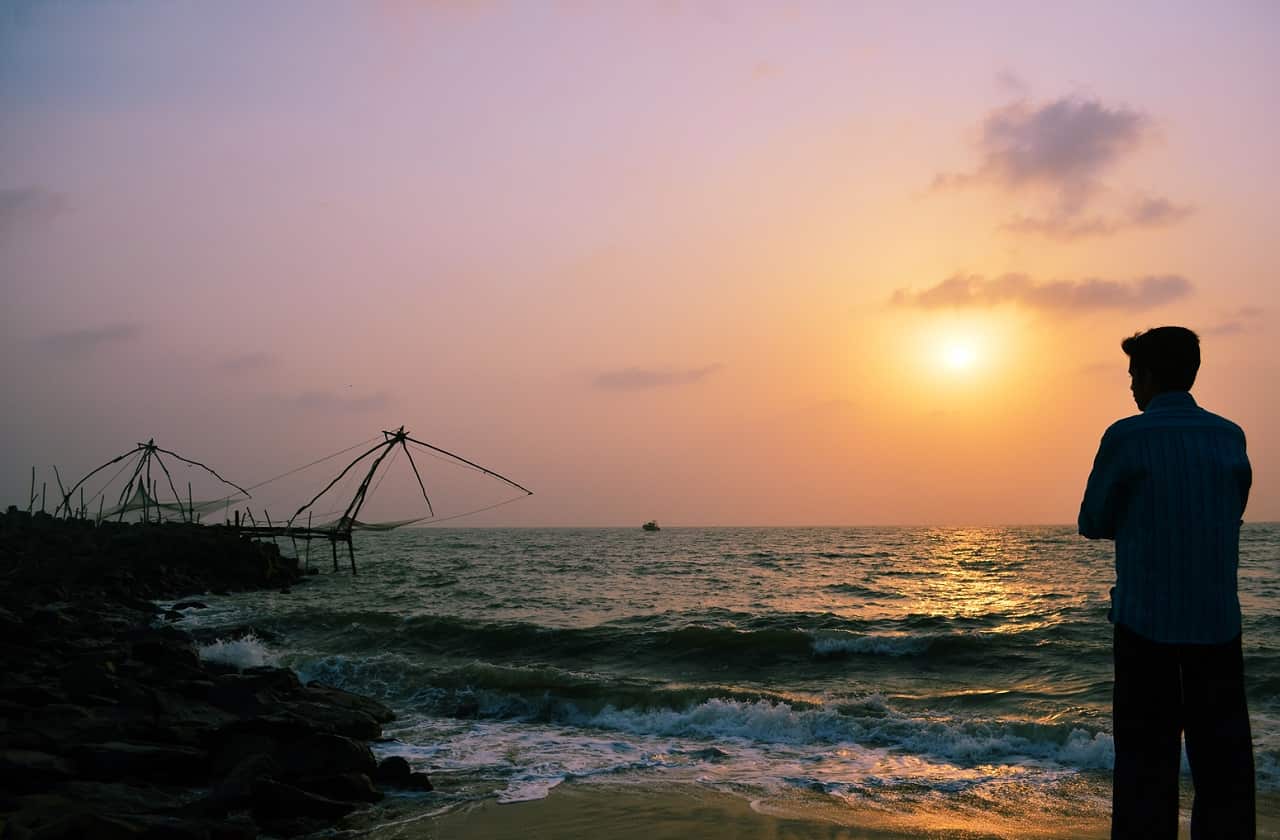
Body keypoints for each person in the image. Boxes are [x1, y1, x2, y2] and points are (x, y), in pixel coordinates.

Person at [1079, 326, 1254, 839]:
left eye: (1134, 374)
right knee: (1224, 772)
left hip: (1145, 626)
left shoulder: (1127, 436)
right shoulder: (1229, 436)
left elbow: (1092, 521)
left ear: (1151, 376)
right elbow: (1233, 507)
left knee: (1144, 768)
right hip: (1218, 626)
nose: (1131, 387)